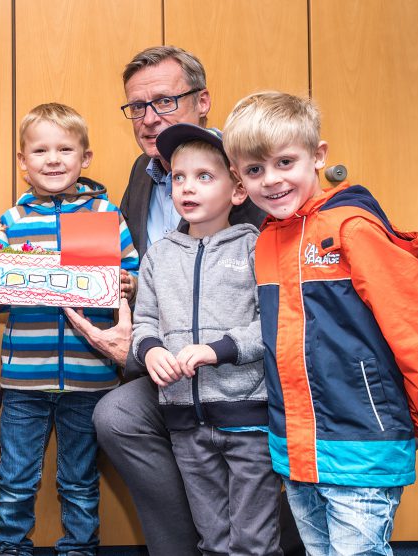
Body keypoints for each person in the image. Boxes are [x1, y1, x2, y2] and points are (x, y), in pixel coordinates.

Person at [64, 46, 303, 556]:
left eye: (166, 101)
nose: (149, 119)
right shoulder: (139, 174)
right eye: (137, 107)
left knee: (251, 489)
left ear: (202, 101)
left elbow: (281, 292)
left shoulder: (250, 166)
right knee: (116, 415)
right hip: (174, 367)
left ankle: (275, 537)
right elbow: (151, 269)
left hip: (254, 366)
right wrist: (132, 317)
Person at [223, 91, 418, 555]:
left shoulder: (351, 229)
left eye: (285, 162)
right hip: (296, 449)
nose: (271, 180)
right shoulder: (267, 241)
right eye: (254, 170)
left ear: (318, 156)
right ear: (239, 179)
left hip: (363, 441)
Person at [0, 103, 138, 556]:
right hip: (25, 378)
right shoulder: (12, 222)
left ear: (86, 158)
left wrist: (129, 282)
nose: (54, 159)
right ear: (23, 163)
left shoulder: (107, 215)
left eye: (65, 149)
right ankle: (11, 549)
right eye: (40, 150)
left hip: (91, 377)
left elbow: (134, 279)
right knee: (16, 477)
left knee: (79, 479)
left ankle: (79, 550)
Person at [132, 123, 280, 555]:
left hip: (247, 418)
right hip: (184, 419)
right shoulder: (159, 255)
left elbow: (268, 325)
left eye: (203, 177)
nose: (187, 188)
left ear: (237, 191)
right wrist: (152, 350)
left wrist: (219, 350)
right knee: (212, 538)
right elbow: (144, 321)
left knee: (253, 539)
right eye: (178, 177)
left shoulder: (254, 247)